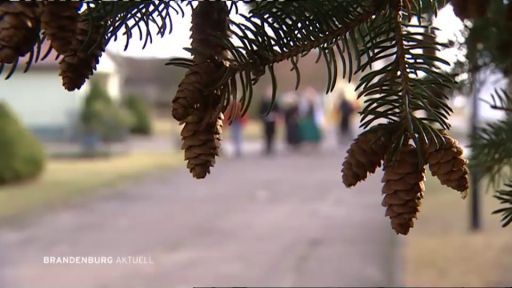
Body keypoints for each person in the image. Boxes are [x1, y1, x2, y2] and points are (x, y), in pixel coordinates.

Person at [259, 89, 280, 155]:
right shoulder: (264, 102)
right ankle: (267, 148)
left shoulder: (274, 102)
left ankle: (271, 147)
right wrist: (264, 116)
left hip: (272, 121)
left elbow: (278, 110)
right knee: (266, 134)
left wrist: (275, 115)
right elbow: (260, 111)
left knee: (272, 134)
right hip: (266, 121)